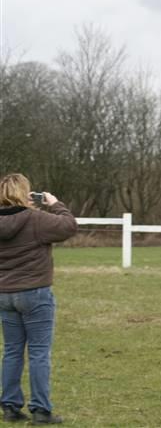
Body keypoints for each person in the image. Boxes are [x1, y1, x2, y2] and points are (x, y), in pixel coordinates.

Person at [0, 173, 78, 425]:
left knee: (12, 351)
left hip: (4, 294)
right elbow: (68, 226)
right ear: (25, 193)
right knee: (38, 353)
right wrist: (55, 204)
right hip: (35, 293)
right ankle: (41, 410)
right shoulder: (35, 218)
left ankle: (10, 407)